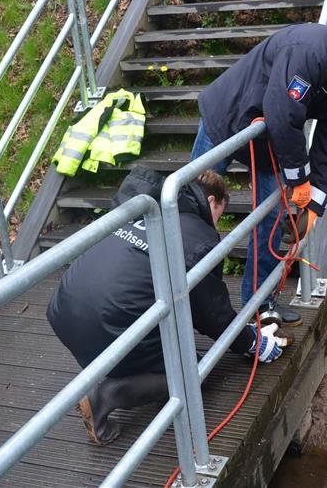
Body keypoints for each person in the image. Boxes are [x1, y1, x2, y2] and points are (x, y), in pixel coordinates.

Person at [47, 166, 288, 445]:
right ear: (211, 202)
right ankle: (106, 395)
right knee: (191, 371)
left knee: (158, 326)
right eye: (220, 214)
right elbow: (212, 315)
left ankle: (114, 367)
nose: (217, 224)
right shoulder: (199, 236)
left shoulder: (144, 205)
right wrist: (252, 343)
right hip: (107, 325)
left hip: (64, 312)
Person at [191, 23, 327, 322]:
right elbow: (283, 110)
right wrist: (298, 179)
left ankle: (260, 305)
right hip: (227, 117)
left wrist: (312, 208)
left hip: (266, 139)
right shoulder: (312, 49)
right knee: (194, 210)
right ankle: (185, 298)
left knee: (271, 219)